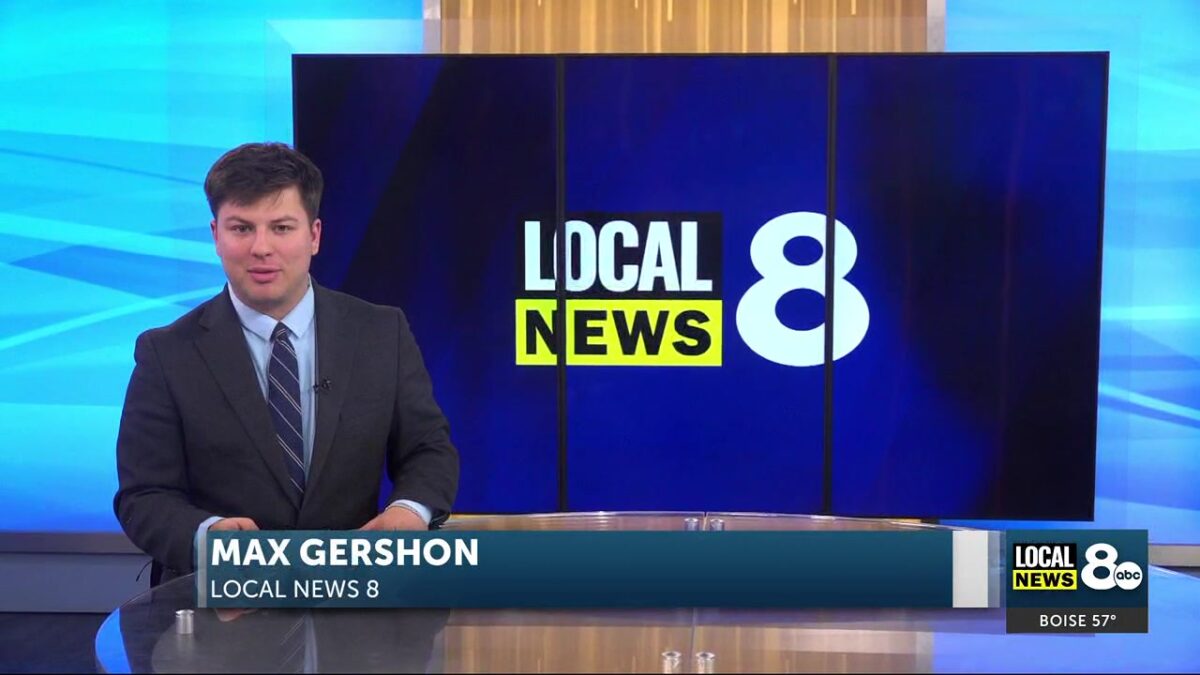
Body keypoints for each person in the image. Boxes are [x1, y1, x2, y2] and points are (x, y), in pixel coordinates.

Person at [114, 142, 458, 583]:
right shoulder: (166, 353)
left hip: (356, 599)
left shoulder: (380, 332)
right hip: (217, 610)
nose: (261, 248)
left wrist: (409, 513)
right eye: (242, 228)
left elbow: (429, 450)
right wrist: (208, 536)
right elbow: (143, 496)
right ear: (216, 235)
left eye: (281, 227)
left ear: (314, 235)